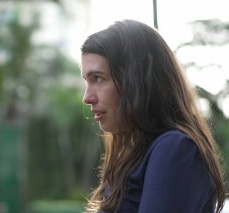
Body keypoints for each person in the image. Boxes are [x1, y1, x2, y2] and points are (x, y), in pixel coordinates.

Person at [80, 19, 226, 213]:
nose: (87, 98)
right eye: (87, 81)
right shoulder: (131, 156)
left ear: (136, 80)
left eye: (98, 78)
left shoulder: (175, 148)